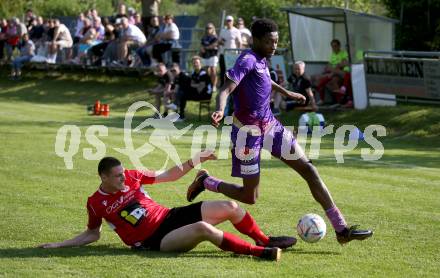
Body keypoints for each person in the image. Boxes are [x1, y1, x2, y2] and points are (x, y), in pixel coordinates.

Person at [187, 18, 373, 245]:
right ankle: (206, 181)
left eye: (275, 42)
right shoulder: (246, 60)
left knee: (309, 170)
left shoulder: (263, 59)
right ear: (255, 41)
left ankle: (341, 229)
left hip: (271, 126)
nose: (273, 46)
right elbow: (226, 89)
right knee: (250, 196)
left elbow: (264, 81)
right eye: (269, 42)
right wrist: (218, 109)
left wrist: (287, 93)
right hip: (247, 135)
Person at [38, 151, 296, 261]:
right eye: (116, 176)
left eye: (122, 174)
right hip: (154, 240)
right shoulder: (96, 203)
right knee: (203, 228)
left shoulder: (131, 175)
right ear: (103, 177)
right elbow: (93, 233)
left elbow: (169, 175)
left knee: (229, 205)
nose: (123, 178)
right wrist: (59, 245)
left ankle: (263, 240)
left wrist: (196, 159)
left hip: (169, 216)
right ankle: (258, 253)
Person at [167, 56, 212, 121]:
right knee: (183, 93)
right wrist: (195, 85)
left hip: (205, 95)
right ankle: (179, 113)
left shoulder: (203, 73)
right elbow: (193, 84)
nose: (195, 64)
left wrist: (194, 85)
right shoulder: (194, 73)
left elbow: (200, 88)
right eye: (194, 63)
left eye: (196, 62)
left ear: (200, 64)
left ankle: (177, 108)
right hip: (198, 93)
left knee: (183, 92)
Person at [218, 15, 241, 87]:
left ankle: (234, 84)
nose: (228, 22)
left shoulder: (236, 31)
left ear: (233, 22)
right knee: (223, 70)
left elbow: (239, 42)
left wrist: (239, 52)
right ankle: (222, 85)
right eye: (227, 20)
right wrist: (221, 42)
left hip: (233, 54)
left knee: (233, 70)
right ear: (225, 22)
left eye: (230, 21)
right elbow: (219, 41)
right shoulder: (223, 30)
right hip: (223, 53)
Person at [200, 23, 218, 91]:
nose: (208, 29)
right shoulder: (204, 37)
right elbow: (202, 46)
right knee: (206, 71)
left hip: (212, 55)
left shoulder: (215, 37)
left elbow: (214, 45)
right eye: (207, 28)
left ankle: (214, 86)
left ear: (213, 29)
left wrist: (206, 48)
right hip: (205, 56)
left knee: (213, 70)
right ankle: (208, 85)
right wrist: (202, 49)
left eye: (210, 28)